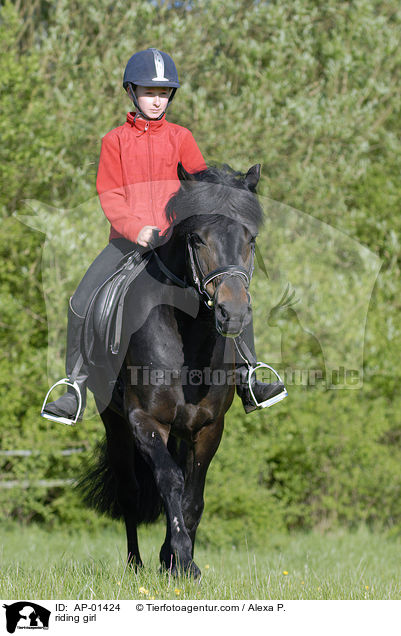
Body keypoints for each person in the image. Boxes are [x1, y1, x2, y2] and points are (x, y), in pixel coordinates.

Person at [41, 48, 287, 425]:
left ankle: (250, 373)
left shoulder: (181, 138)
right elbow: (110, 194)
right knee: (80, 300)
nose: (156, 100)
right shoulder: (114, 142)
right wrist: (134, 228)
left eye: (163, 93)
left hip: (178, 246)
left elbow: (201, 188)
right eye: (148, 92)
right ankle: (73, 385)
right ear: (131, 93)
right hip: (128, 243)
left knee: (231, 287)